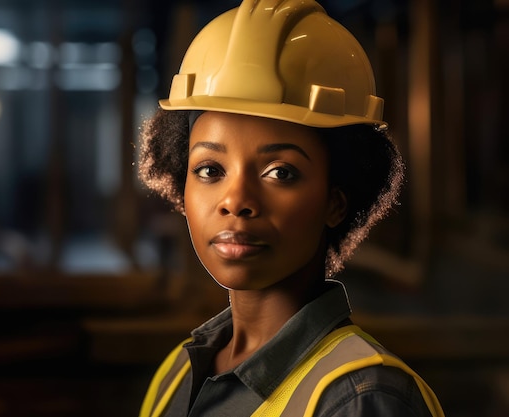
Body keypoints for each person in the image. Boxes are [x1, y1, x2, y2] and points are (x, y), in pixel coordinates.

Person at [137, 0, 445, 416]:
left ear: (336, 201)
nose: (236, 201)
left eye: (280, 172)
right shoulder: (178, 373)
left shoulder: (363, 399)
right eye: (210, 169)